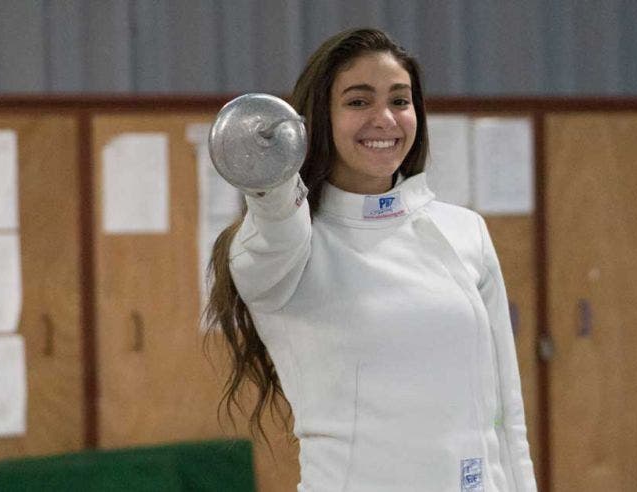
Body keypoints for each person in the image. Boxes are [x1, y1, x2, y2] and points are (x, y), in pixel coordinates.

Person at [206, 27, 537, 491]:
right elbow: (274, 233)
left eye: (400, 101)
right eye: (358, 102)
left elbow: (506, 413)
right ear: (318, 118)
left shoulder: (464, 231)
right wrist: (272, 177)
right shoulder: (289, 246)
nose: (384, 118)